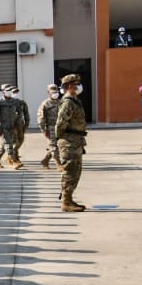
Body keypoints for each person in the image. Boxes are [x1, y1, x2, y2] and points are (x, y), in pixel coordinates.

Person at [53, 73, 89, 212]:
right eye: (76, 84)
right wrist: (63, 139)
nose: (79, 86)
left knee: (76, 171)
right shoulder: (68, 101)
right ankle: (66, 202)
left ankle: (69, 198)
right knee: (70, 171)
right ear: (69, 86)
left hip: (76, 140)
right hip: (69, 141)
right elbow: (60, 123)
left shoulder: (74, 100)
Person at [0, 86, 22, 168]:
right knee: (9, 144)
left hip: (12, 126)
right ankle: (14, 161)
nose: (9, 92)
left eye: (10, 91)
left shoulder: (15, 101)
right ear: (3, 91)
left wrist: (17, 123)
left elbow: (19, 112)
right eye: (7, 91)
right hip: (4, 127)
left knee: (4, 145)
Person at [39, 84, 63, 168]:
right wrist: (44, 130)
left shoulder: (61, 102)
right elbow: (41, 118)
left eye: (56, 92)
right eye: (53, 92)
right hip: (51, 128)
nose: (55, 94)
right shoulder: (45, 104)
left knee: (59, 145)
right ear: (48, 93)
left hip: (61, 127)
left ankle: (45, 161)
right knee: (53, 146)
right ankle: (58, 164)